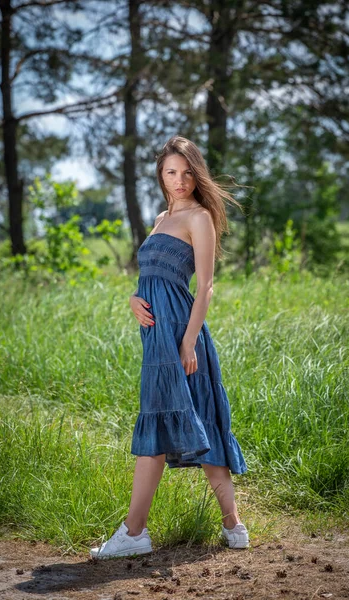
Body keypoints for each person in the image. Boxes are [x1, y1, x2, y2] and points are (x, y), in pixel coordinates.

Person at [90, 136, 249, 560]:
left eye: (186, 172)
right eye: (170, 172)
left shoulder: (199, 218)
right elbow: (153, 274)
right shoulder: (161, 218)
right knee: (180, 418)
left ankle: (136, 531)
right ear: (161, 176)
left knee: (188, 420)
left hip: (181, 335)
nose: (179, 180)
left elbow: (205, 287)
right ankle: (231, 525)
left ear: (197, 174)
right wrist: (132, 298)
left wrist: (189, 342)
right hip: (156, 335)